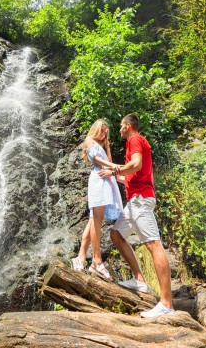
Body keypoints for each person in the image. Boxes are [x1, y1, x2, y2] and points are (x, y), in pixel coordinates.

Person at [98, 114, 175, 318]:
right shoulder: (133, 143)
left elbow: (137, 164)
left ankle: (166, 304)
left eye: (122, 126)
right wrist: (113, 176)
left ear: (129, 125)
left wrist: (115, 172)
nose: (120, 129)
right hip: (134, 201)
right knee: (116, 235)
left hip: (141, 200)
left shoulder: (135, 139)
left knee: (153, 245)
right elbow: (130, 175)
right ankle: (140, 280)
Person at [71, 119, 124, 281]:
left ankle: (80, 258)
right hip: (98, 181)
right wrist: (114, 165)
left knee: (94, 219)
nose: (103, 134)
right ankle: (96, 260)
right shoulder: (89, 140)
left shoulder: (100, 145)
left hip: (105, 181)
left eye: (105, 132)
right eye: (102, 131)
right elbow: (97, 160)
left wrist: (107, 147)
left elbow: (106, 161)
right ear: (96, 129)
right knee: (96, 220)